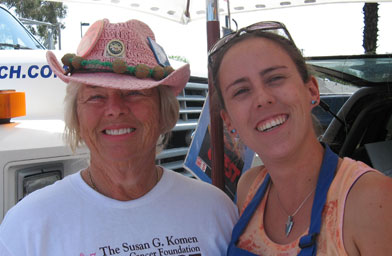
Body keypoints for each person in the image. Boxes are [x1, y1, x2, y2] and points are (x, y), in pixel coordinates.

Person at [0, 19, 238, 255]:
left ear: (163, 111)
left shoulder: (215, 211)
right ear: (77, 116)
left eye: (134, 93)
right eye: (95, 96)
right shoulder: (28, 227)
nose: (115, 108)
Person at [208, 21, 392, 255]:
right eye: (241, 91)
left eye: (275, 78)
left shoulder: (373, 200)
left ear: (312, 91)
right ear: (229, 122)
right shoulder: (249, 188)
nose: (262, 98)